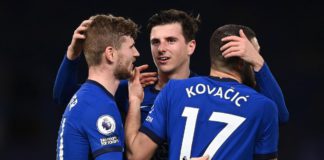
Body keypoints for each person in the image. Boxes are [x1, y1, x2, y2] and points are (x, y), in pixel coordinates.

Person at [53, 9, 288, 159]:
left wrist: (258, 63)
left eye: (171, 40)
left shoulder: (211, 93)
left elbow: (277, 114)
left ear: (191, 46)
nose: (161, 48)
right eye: (155, 42)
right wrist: (72, 56)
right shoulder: (134, 89)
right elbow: (69, 100)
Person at [126, 24, 279, 160]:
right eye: (254, 55)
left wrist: (134, 99)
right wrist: (259, 63)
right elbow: (281, 116)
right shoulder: (264, 106)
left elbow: (136, 155)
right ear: (243, 60)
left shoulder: (173, 90)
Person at [56, 14, 140, 160]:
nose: (136, 53)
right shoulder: (100, 106)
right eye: (131, 47)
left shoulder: (88, 97)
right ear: (110, 54)